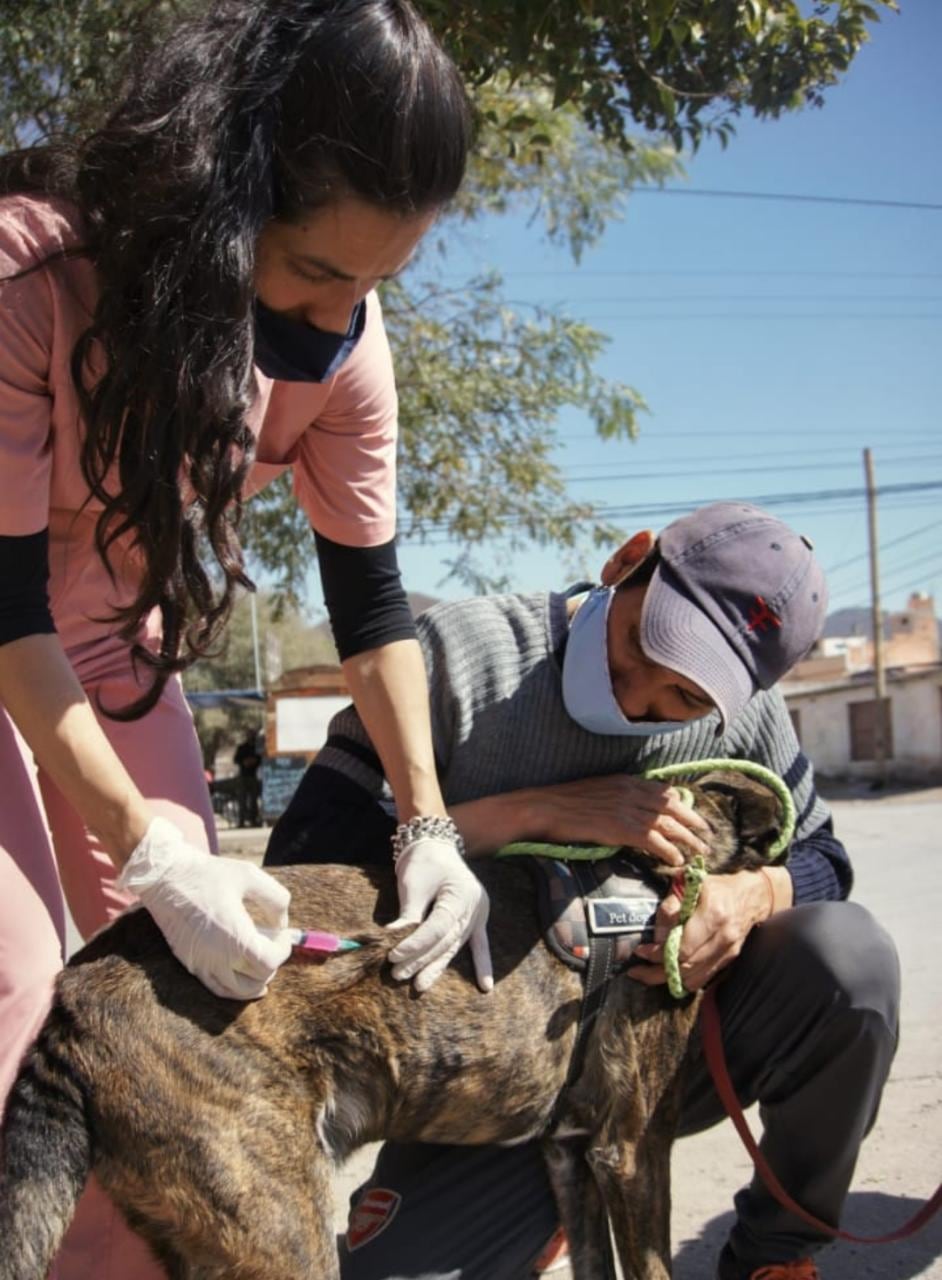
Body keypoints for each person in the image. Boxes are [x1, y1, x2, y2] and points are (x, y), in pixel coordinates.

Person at [0, 3, 491, 1276]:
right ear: (222, 193)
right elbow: (6, 611)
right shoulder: (31, 280)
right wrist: (151, 845)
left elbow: (373, 606)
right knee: (19, 1003)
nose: (340, 320)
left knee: (171, 1025)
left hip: (114, 653)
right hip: (3, 642)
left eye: (375, 282)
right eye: (318, 273)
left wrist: (426, 822)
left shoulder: (349, 346)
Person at [266, 502, 901, 1280]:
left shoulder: (745, 709)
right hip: (487, 1084)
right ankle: (541, 1207)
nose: (642, 702)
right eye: (641, 647)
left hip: (660, 1066)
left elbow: (825, 859)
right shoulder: (464, 656)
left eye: (686, 701)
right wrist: (536, 812)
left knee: (851, 959)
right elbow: (303, 863)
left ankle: (775, 1255)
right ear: (627, 560)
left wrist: (750, 897)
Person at [233, 729, 263, 827]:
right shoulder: (242, 748)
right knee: (242, 800)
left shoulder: (257, 748)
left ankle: (253, 820)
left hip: (253, 777)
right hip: (243, 777)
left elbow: (260, 760)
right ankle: (241, 821)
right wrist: (244, 762)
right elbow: (236, 759)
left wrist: (254, 761)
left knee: (253, 801)